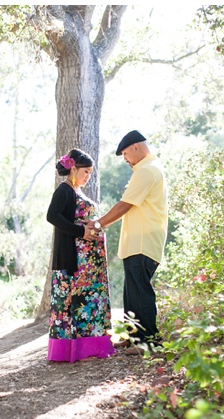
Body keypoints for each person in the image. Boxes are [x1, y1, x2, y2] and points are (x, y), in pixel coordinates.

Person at [86, 131, 167, 354]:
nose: (125, 159)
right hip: (137, 241)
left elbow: (125, 205)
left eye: (125, 154)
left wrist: (98, 224)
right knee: (132, 293)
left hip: (143, 239)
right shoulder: (147, 169)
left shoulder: (147, 171)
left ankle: (147, 342)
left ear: (136, 148)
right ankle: (133, 338)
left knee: (140, 291)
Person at [45, 148, 116, 362]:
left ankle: (89, 348)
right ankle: (68, 351)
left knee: (86, 304)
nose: (88, 176)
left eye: (90, 173)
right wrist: (82, 232)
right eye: (85, 172)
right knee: (69, 306)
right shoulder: (64, 190)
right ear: (73, 169)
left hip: (87, 265)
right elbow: (52, 216)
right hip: (74, 262)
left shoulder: (76, 191)